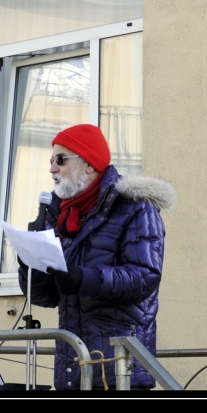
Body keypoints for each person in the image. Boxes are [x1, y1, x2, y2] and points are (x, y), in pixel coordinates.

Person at [18, 124, 176, 391]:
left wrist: (83, 279)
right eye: (51, 161)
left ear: (88, 165)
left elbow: (144, 277)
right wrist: (29, 262)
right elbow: (45, 298)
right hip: (74, 369)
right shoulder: (57, 215)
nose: (52, 169)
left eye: (60, 160)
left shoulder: (135, 208)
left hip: (120, 368)